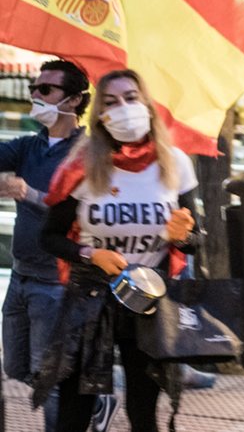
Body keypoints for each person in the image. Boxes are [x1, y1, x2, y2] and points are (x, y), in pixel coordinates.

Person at [31, 68, 201, 432]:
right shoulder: (80, 166)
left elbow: (197, 241)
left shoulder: (175, 163)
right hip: (90, 300)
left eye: (130, 98)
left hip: (148, 301)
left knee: (144, 410)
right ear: (100, 115)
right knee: (75, 410)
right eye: (110, 102)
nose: (122, 108)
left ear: (147, 105)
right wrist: (90, 255)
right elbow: (49, 236)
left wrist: (182, 235)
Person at [0, 59, 89, 431]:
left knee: (50, 379)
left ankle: (80, 412)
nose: (35, 95)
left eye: (45, 89)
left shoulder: (88, 151)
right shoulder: (28, 145)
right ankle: (91, 405)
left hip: (57, 282)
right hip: (21, 277)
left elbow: (84, 211)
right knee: (16, 368)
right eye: (33, 89)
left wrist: (30, 193)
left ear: (73, 100)